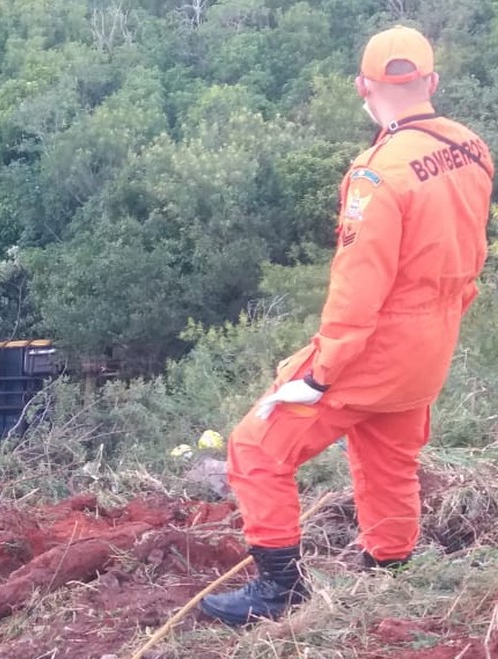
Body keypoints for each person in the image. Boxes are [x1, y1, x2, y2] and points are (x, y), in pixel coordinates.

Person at [200, 25, 494, 626]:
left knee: (255, 449)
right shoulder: (471, 148)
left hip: (376, 346)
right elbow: (474, 252)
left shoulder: (378, 173)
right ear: (431, 82)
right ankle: (391, 566)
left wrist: (322, 372)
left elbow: (359, 286)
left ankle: (280, 590)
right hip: (431, 344)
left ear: (364, 86)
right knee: (387, 453)